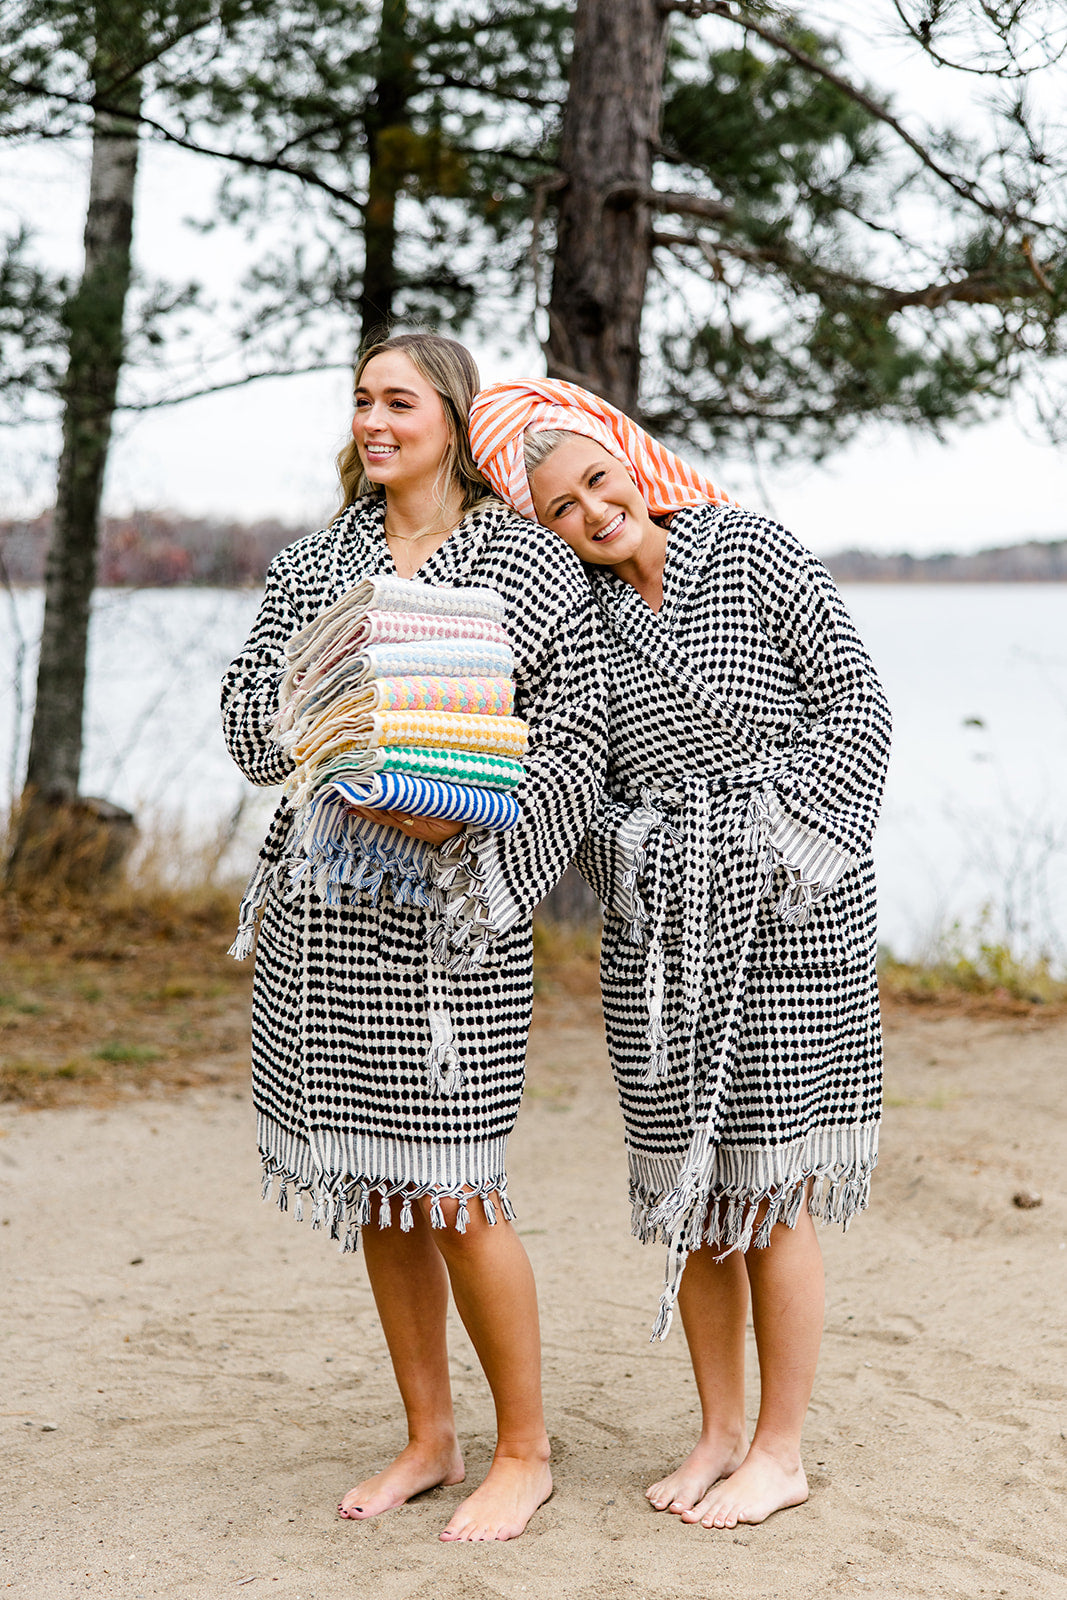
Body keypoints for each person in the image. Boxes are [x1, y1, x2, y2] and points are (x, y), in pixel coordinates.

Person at [468, 378, 890, 1530]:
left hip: (791, 912)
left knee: (769, 1185)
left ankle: (780, 1448)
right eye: (558, 508)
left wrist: (760, 837)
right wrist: (635, 844)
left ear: (629, 464)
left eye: (598, 482)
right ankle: (714, 1431)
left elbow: (857, 706)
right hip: (660, 929)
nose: (592, 512)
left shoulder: (751, 550)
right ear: (540, 525)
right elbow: (580, 781)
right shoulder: (586, 627)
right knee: (692, 1192)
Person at [221, 338, 605, 1542]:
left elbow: (575, 732)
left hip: (457, 920)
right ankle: (430, 1437)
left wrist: (467, 813)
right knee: (382, 1188)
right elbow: (244, 713)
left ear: (450, 416)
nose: (374, 421)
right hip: (330, 911)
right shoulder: (313, 562)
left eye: (398, 402)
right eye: (360, 403)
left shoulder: (528, 562)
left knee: (456, 1184)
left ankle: (525, 1451)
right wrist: (346, 737)